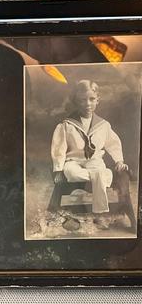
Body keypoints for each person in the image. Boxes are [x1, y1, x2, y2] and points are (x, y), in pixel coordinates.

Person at [51, 79, 129, 225]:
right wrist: (58, 169)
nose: (87, 104)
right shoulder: (67, 125)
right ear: (76, 101)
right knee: (73, 173)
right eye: (82, 100)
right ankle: (101, 178)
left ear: (97, 100)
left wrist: (119, 160)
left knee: (100, 170)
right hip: (73, 161)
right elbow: (59, 148)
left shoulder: (103, 125)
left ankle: (99, 214)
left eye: (92, 99)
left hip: (94, 161)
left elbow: (113, 143)